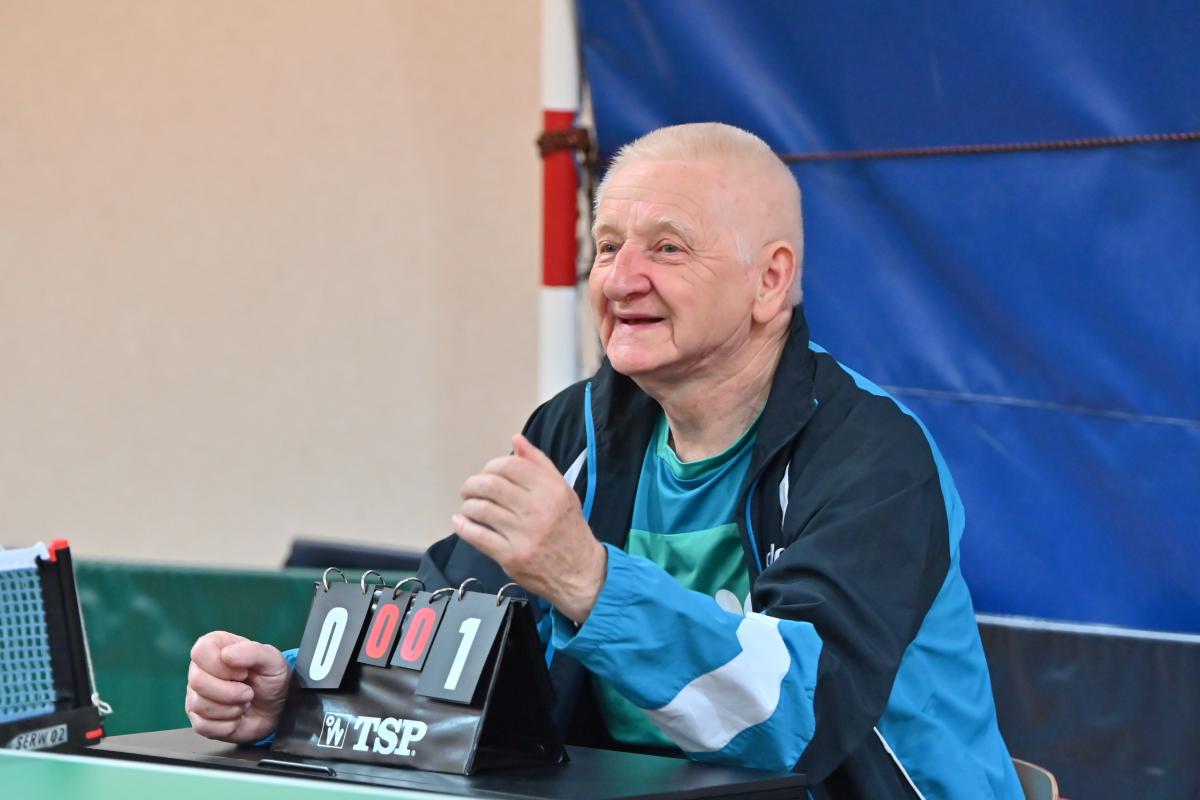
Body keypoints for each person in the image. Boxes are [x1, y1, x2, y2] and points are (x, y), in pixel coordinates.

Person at [186, 123, 1023, 799]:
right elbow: (451, 639)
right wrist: (294, 692)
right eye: (608, 245)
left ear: (770, 282)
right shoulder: (573, 430)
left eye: (668, 248)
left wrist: (588, 582)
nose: (621, 279)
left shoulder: (874, 456)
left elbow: (797, 718)